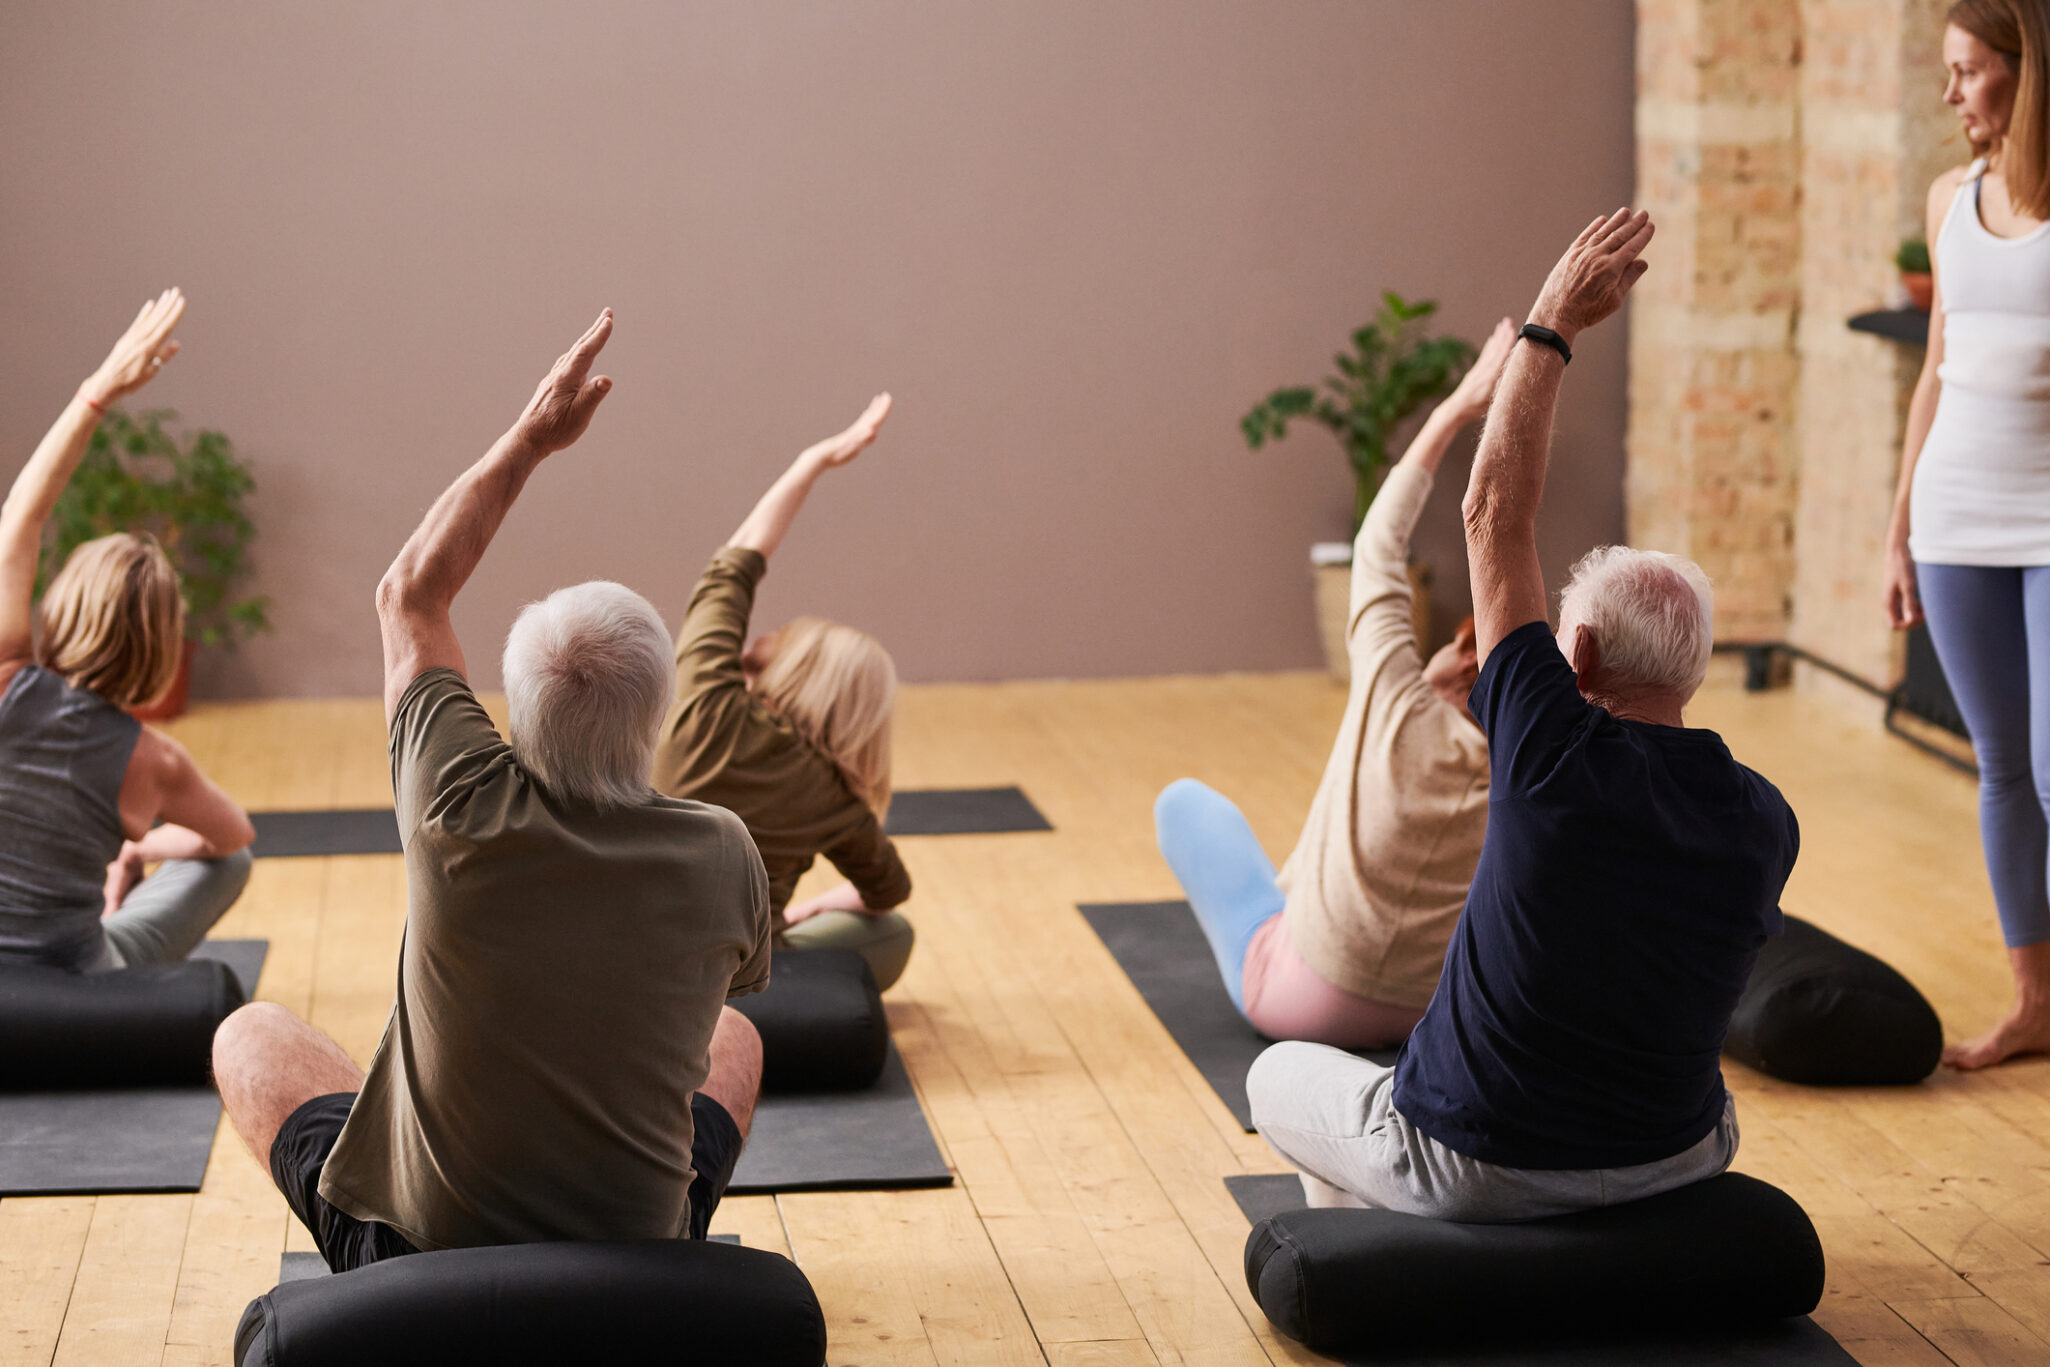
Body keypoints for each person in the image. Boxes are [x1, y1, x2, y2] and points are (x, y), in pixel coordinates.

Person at [1248, 209, 1799, 1222]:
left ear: (1574, 654)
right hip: (1677, 1155)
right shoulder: (1764, 817)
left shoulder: (1547, 753)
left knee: (1278, 1073)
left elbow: (1494, 515)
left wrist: (1550, 324)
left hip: (1475, 1163)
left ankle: (1372, 1257)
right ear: (1693, 669)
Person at [212, 311, 772, 1271]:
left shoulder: (455, 802)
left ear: (512, 709)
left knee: (249, 1034)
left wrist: (532, 439)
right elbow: (728, 981)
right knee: (736, 1031)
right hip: (637, 1248)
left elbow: (410, 593)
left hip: (415, 1253)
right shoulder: (723, 849)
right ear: (658, 719)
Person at [1152, 318, 1516, 1049]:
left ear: (1459, 658)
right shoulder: (1536, 761)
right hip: (1440, 1015)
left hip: (1302, 1000)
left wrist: (1457, 409)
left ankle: (1288, 920)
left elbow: (1378, 542)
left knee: (1186, 807)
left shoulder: (1396, 697)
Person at [1883, 0, 2050, 1069]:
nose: (1950, 95)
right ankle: (2035, 998)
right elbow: (1932, 375)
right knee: (2000, 763)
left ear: (2023, 74)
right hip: (1953, 514)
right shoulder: (1951, 196)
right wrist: (1894, 530)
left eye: (1966, 71)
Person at [0, 288, 253, 972]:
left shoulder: (6, 683)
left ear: (65, 605)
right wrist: (136, 845)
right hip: (79, 992)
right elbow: (233, 836)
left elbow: (20, 519)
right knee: (233, 865)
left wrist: (98, 391)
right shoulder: (154, 760)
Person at [652, 395, 915, 990]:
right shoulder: (837, 802)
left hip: (625, 953)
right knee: (893, 933)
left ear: (796, 671)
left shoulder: (708, 705)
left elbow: (736, 561)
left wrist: (811, 462)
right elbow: (889, 892)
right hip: (733, 986)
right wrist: (808, 911)